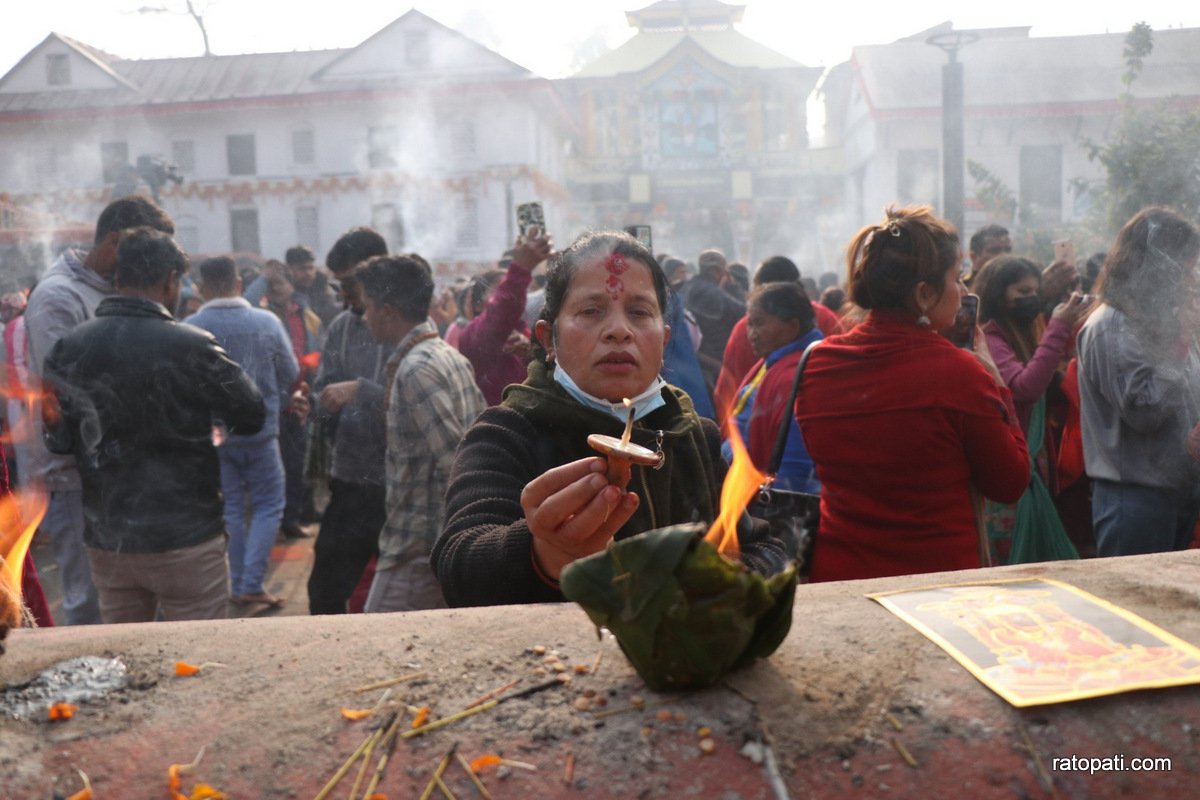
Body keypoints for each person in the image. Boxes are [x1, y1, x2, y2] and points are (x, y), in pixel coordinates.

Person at [433, 231, 792, 607]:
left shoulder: (692, 436)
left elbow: (764, 549)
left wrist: (714, 584)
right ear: (548, 340)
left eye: (639, 312)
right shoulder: (506, 433)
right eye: (591, 311)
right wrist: (543, 553)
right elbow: (458, 565)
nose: (619, 330)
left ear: (664, 339)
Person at [793, 206, 1029, 582]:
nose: (963, 292)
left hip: (840, 578)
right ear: (923, 294)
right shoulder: (961, 374)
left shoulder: (816, 365)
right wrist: (996, 381)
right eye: (956, 279)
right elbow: (1009, 482)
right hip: (936, 588)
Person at [42, 228, 265, 622]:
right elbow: (252, 414)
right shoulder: (194, 345)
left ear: (117, 279)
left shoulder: (68, 348)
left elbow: (58, 441)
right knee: (197, 659)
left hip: (110, 542)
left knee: (127, 663)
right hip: (187, 539)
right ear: (170, 281)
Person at [24, 196, 176, 625]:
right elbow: (68, 393)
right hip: (77, 476)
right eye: (142, 250)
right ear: (113, 241)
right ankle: (86, 687)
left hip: (121, 468)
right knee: (89, 600)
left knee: (132, 594)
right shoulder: (58, 298)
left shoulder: (115, 287)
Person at [358, 254, 486, 612]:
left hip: (418, 549)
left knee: (379, 648)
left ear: (387, 311)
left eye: (367, 307)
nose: (364, 317)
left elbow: (456, 463)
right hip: (432, 544)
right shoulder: (445, 354)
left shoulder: (416, 369)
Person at [1076, 207, 1200, 557]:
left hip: (1175, 494)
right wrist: (1179, 344)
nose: (1190, 280)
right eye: (1185, 269)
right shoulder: (1112, 326)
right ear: (1156, 267)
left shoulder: (1164, 321)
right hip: (1134, 502)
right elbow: (1144, 411)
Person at [187, 256, 299, 608]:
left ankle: (237, 584)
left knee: (232, 507)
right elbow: (290, 370)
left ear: (202, 288)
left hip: (218, 436)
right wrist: (273, 398)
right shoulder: (266, 321)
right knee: (269, 505)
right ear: (238, 283)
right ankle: (251, 582)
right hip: (262, 432)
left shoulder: (191, 325)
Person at [976, 255, 1092, 562]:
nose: (1029, 299)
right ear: (998, 295)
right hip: (1011, 481)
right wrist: (1058, 327)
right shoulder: (990, 337)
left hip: (1034, 472)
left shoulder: (1023, 333)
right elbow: (1024, 388)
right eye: (1021, 292)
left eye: (1033, 292)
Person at [306, 227, 390, 615]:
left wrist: (360, 390)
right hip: (350, 478)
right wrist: (313, 403)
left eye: (351, 283)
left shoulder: (405, 325)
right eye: (339, 285)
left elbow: (408, 400)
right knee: (323, 588)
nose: (346, 294)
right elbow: (326, 388)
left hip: (396, 485)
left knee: (396, 596)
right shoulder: (341, 326)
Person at [713, 256, 837, 425]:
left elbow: (726, 391)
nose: (753, 334)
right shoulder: (826, 318)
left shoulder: (745, 328)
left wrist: (729, 437)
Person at [725, 282, 822, 492]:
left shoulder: (794, 378)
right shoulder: (778, 363)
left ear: (792, 327)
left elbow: (794, 469)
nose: (751, 334)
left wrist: (782, 507)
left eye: (759, 323)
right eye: (749, 325)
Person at [261, 261, 322, 537]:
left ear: (291, 286)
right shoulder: (261, 313)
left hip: (300, 392)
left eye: (281, 284)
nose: (278, 290)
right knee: (279, 463)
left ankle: (294, 516)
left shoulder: (303, 313)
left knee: (298, 460)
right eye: (272, 286)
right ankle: (281, 517)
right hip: (273, 396)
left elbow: (314, 348)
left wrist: (309, 378)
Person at [457, 230, 553, 405]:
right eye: (500, 288)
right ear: (477, 304)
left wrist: (531, 352)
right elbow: (501, 311)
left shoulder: (526, 333)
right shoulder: (472, 336)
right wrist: (520, 269)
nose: (517, 293)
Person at [683, 248, 745, 394]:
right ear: (717, 271)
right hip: (714, 362)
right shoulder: (714, 294)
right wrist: (733, 288)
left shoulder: (687, 287)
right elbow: (744, 314)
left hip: (693, 360)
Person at [245, 245, 340, 326]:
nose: (308, 273)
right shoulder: (279, 291)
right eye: (302, 269)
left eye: (310, 268)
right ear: (289, 269)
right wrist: (265, 277)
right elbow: (248, 304)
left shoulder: (322, 286)